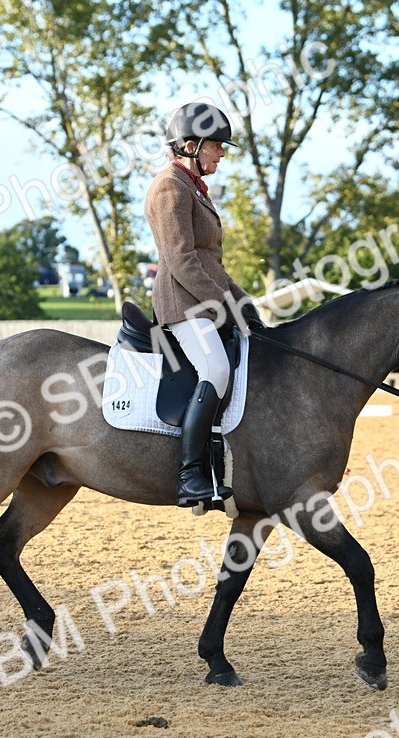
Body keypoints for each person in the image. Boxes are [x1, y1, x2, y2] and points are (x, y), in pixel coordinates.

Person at [144, 102, 262, 507]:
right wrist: (223, 304)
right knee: (215, 366)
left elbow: (212, 261)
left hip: (202, 301)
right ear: (191, 146)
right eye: (217, 146)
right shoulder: (169, 188)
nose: (222, 153)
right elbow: (182, 261)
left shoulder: (191, 188)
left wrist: (245, 304)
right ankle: (191, 475)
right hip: (182, 305)